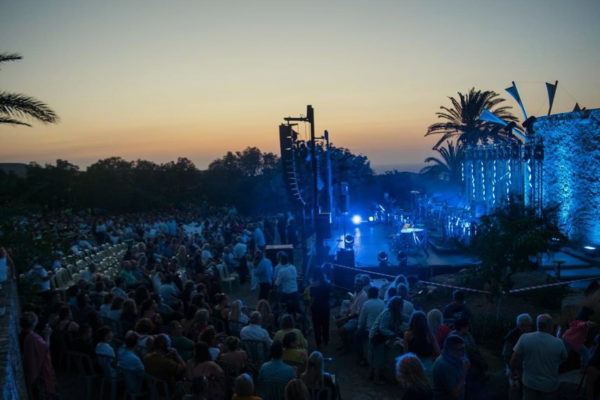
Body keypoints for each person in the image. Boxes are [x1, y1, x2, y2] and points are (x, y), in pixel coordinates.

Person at [510, 314, 567, 399]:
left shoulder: (524, 338)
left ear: (537, 325)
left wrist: (512, 372)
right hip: (549, 386)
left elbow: (513, 359)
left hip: (529, 384)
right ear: (550, 326)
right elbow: (564, 358)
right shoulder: (559, 343)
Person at [368, 296, 406, 384]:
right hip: (377, 338)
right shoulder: (388, 314)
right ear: (397, 306)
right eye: (401, 306)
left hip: (377, 337)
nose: (402, 308)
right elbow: (382, 328)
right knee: (379, 358)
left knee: (374, 358)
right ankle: (377, 379)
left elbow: (406, 318)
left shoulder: (391, 313)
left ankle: (370, 375)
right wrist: (393, 334)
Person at [19, 312, 56, 398]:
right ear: (33, 324)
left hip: (29, 367)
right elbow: (45, 347)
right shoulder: (33, 337)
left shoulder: (22, 335)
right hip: (38, 370)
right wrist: (47, 335)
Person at [503, 313, 533, 400]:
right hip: (514, 365)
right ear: (521, 326)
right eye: (527, 326)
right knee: (514, 385)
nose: (529, 328)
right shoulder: (512, 336)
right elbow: (506, 355)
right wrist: (513, 369)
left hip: (528, 365)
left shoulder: (532, 334)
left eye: (530, 326)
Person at [432, 335, 469, 400]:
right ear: (450, 350)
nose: (463, 352)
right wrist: (465, 371)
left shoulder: (454, 358)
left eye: (464, 349)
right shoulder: (444, 365)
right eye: (460, 349)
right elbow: (455, 394)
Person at [404, 311, 440, 377]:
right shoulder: (429, 334)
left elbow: (406, 352)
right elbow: (437, 351)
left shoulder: (408, 334)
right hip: (428, 366)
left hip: (414, 365)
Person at [357, 286, 385, 365]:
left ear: (369, 294)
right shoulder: (383, 303)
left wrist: (359, 328)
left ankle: (361, 358)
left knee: (357, 336)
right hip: (380, 330)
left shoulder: (366, 304)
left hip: (369, 330)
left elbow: (361, 320)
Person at [309, 268, 332, 349]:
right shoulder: (327, 284)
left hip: (316, 308)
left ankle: (319, 343)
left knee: (317, 326)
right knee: (326, 324)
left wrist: (309, 307)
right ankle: (326, 340)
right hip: (325, 306)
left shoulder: (313, 285)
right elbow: (330, 295)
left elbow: (312, 298)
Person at [274, 252, 299, 316]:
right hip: (295, 291)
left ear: (281, 261)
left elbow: (277, 283)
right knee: (295, 310)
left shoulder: (282, 271)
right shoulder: (293, 267)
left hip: (287, 293)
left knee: (283, 308)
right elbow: (296, 277)